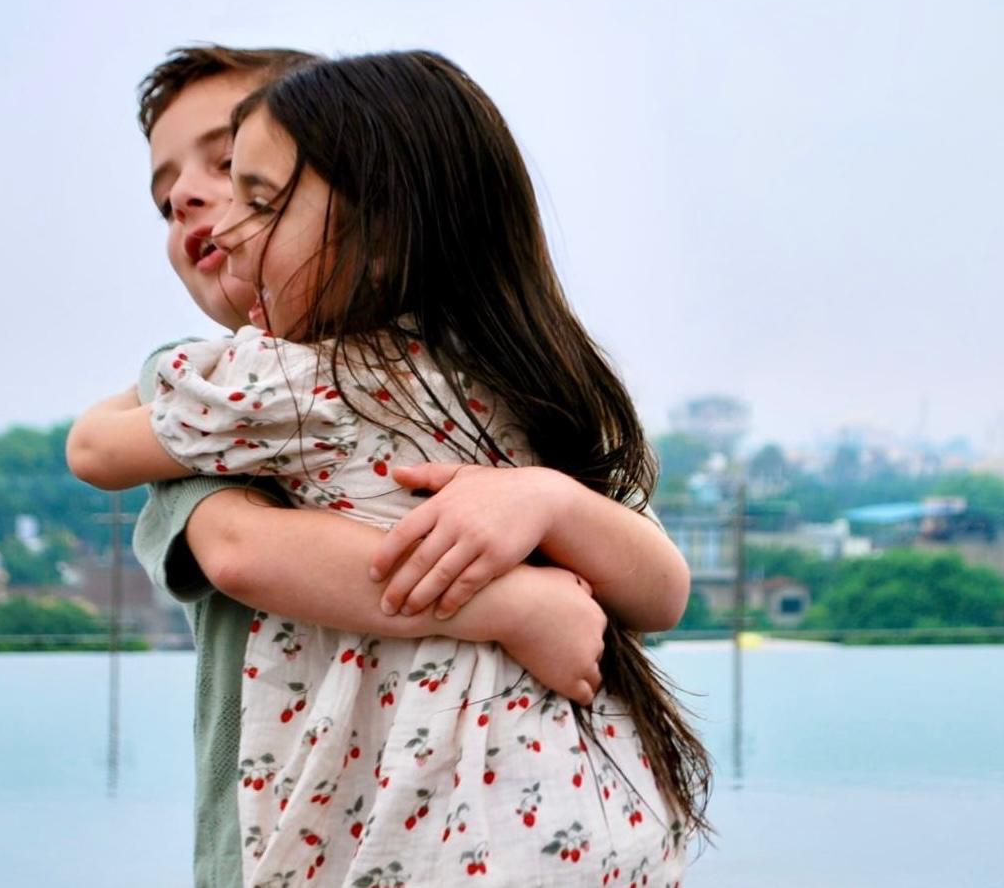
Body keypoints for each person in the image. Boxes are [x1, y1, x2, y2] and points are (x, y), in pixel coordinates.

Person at [93, 46, 703, 886]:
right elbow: (240, 548)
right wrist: (510, 601)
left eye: (237, 174)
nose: (197, 201)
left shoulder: (501, 380)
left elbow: (658, 587)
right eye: (165, 196)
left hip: (439, 833)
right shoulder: (228, 397)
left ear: (377, 207)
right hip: (422, 826)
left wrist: (546, 499)